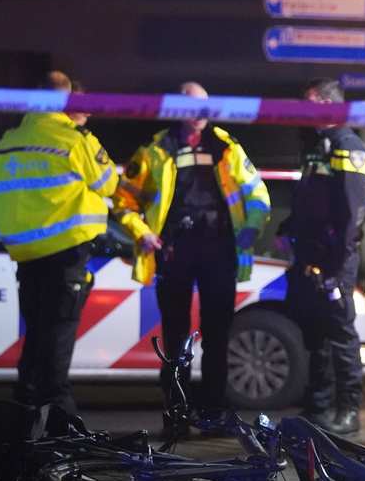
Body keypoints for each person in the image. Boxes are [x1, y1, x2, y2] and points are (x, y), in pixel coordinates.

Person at [114, 82, 271, 431]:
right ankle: (177, 414)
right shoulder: (157, 149)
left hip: (219, 251)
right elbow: (124, 200)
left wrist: (251, 229)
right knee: (175, 337)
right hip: (174, 252)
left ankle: (215, 412)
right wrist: (144, 233)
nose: (199, 114)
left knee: (218, 336)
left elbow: (257, 194)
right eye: (190, 106)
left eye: (204, 107)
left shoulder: (226, 147)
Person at [0, 70, 119, 415]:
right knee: (57, 338)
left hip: (26, 256)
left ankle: (24, 411)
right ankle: (59, 419)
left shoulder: (6, 143)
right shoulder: (73, 139)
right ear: (68, 99)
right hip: (66, 253)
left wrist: (10, 235)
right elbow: (108, 183)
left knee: (37, 335)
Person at [280, 79, 365, 435]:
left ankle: (349, 410)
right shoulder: (317, 145)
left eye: (310, 103)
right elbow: (310, 198)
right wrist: (288, 227)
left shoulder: (348, 146)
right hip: (309, 254)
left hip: (334, 259)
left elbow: (351, 215)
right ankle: (319, 408)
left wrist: (337, 267)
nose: (305, 110)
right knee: (315, 333)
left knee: (340, 333)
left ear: (329, 105)